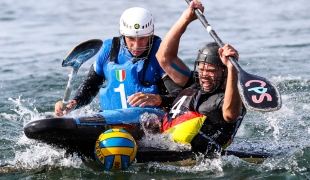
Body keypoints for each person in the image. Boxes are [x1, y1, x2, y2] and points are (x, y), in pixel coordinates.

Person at [155, 0, 245, 156]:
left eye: (210, 71)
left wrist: (232, 69)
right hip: (166, 141)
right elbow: (164, 58)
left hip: (204, 158)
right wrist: (186, 19)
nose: (204, 75)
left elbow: (230, 115)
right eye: (201, 69)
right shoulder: (197, 83)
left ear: (225, 73)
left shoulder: (229, 99)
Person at [55, 7, 178, 116]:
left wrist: (158, 99)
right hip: (112, 119)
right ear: (123, 34)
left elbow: (179, 95)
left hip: (150, 121)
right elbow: (90, 88)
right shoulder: (108, 50)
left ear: (150, 35)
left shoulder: (161, 53)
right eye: (131, 39)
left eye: (142, 39)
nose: (136, 46)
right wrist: (73, 103)